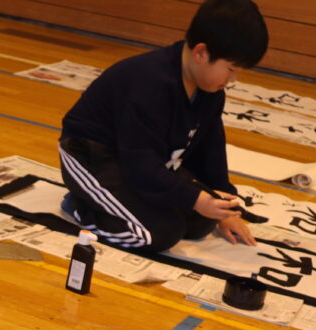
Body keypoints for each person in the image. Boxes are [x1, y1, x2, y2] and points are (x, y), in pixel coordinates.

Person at [58, 0, 268, 253]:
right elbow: (139, 164)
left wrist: (225, 207)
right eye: (231, 69)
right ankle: (83, 206)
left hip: (138, 158)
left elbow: (210, 151)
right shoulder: (151, 84)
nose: (233, 79)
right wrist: (194, 198)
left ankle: (112, 202)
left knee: (202, 221)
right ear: (200, 53)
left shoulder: (209, 90)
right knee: (157, 234)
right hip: (90, 155)